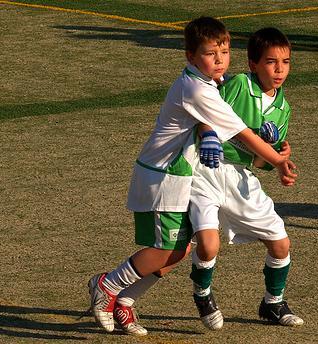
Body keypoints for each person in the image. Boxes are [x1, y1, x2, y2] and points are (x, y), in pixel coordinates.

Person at [88, 18, 293, 336]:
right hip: (164, 178)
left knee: (181, 249)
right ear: (190, 56)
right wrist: (278, 159)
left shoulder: (209, 84)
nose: (220, 60)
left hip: (179, 177)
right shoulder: (198, 89)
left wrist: (265, 150)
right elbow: (241, 134)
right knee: (165, 249)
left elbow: (227, 131)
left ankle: (125, 302)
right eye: (211, 54)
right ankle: (107, 285)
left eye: (224, 52)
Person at [188, 27, 304, 330]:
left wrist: (278, 157)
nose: (279, 70)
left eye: (286, 62)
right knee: (207, 246)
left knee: (281, 245)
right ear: (253, 64)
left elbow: (259, 162)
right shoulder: (239, 84)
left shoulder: (283, 109)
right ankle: (202, 295)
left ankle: (273, 303)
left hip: (241, 178)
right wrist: (206, 133)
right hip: (206, 171)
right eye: (270, 62)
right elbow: (204, 110)